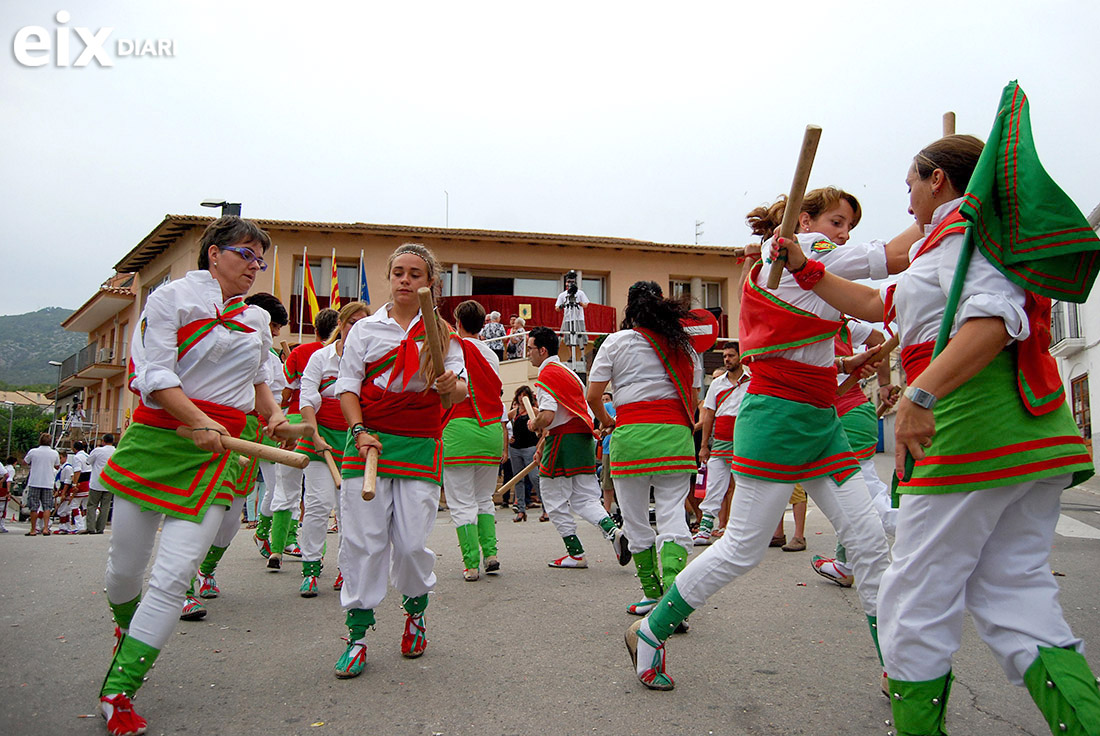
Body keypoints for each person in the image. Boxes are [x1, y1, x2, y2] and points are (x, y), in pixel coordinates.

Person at [773, 133, 1099, 733]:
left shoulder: (968, 240)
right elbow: (876, 304)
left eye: (911, 187)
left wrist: (922, 395)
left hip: (969, 431)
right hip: (1021, 437)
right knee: (1016, 597)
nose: (908, 204)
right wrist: (805, 268)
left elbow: (994, 321)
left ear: (938, 181)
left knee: (914, 600)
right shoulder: (956, 243)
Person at [625, 187, 892, 692]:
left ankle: (898, 670)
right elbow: (891, 259)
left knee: (870, 545)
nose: (844, 235)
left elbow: (798, 355)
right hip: (775, 421)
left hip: (820, 421)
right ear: (806, 221)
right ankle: (651, 631)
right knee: (744, 547)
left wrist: (844, 363)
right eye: (837, 221)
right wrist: (960, 211)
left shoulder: (805, 264)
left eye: (849, 228)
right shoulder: (806, 252)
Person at [95, 216, 289, 736]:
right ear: (214, 253)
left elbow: (259, 384)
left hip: (216, 455)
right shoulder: (171, 300)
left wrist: (277, 420)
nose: (255, 267)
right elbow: (153, 375)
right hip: (159, 440)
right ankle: (125, 627)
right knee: (123, 571)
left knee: (174, 575)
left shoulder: (255, 321)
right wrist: (198, 420)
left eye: (260, 259)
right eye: (246, 255)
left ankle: (119, 691)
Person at [333, 242, 467, 678]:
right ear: (389, 277)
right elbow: (347, 386)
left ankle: (415, 613)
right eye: (398, 272)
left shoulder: (443, 333)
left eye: (415, 273)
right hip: (368, 442)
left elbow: (460, 389)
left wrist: (449, 382)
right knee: (363, 541)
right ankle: (357, 636)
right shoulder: (365, 330)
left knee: (410, 544)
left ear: (431, 283)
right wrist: (358, 431)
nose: (405, 280)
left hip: (419, 443)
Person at [587, 281, 700, 616]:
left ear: (629, 308)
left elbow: (593, 396)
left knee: (636, 522)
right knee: (673, 516)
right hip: (675, 440)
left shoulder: (616, 342)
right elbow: (692, 402)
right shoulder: (685, 345)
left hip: (631, 438)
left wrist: (607, 422)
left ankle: (652, 595)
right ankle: (673, 603)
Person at [184, 293, 292, 620]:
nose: (273, 334)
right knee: (196, 507)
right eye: (272, 325)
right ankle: (183, 585)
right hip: (199, 425)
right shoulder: (207, 336)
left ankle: (207, 568)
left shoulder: (270, 359)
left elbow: (268, 396)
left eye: (274, 328)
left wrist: (277, 423)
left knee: (230, 514)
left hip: (245, 432)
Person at [526, 326, 628, 568]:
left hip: (562, 442)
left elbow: (549, 417)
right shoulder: (568, 373)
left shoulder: (546, 375)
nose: (527, 353)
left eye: (530, 349)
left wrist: (534, 423)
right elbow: (572, 412)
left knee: (552, 499)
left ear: (542, 350)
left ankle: (576, 554)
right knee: (585, 498)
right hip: (583, 440)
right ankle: (613, 532)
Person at [812, 319, 899, 586]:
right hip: (848, 413)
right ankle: (845, 564)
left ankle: (932, 538)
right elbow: (879, 340)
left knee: (865, 496)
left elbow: (879, 342)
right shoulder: (844, 323)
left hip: (845, 415)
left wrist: (884, 384)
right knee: (850, 494)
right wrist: (884, 384)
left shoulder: (831, 322)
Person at [295, 300, 369, 597]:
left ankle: (345, 568)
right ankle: (311, 568)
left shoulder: (367, 358)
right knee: (317, 505)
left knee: (348, 509)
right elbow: (307, 397)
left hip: (351, 441)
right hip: (320, 439)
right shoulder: (320, 358)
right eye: (353, 323)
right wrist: (314, 436)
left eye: (363, 323)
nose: (356, 329)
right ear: (342, 324)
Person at [264, 307, 339, 570]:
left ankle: (275, 549)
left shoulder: (300, 353)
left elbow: (285, 393)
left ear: (316, 330)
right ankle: (307, 553)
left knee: (285, 491)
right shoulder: (340, 355)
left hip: (295, 422)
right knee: (320, 500)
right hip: (322, 426)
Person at [443, 299, 506, 581]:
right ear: (484, 324)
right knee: (484, 498)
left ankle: (471, 564)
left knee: (461, 503)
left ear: (457, 322)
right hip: (490, 430)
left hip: (459, 430)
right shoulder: (492, 354)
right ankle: (490, 553)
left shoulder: (453, 347)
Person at [693, 343, 748, 545]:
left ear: (741, 357)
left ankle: (738, 531)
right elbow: (708, 416)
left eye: (731, 355)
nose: (727, 359)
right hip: (721, 441)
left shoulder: (753, 381)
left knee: (744, 485)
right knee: (715, 484)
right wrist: (704, 445)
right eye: (725, 356)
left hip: (746, 441)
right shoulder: (717, 384)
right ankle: (705, 530)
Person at [506, 385, 540, 522]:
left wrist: (539, 446)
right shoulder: (514, 413)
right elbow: (502, 425)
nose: (522, 398)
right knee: (517, 479)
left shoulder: (535, 412)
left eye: (524, 395)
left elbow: (544, 429)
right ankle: (520, 510)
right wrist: (508, 439)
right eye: (520, 395)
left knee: (534, 477)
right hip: (516, 449)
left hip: (530, 448)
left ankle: (546, 508)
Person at [21, 433, 59, 536]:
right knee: (47, 506)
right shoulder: (54, 453)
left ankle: (33, 529)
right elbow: (57, 465)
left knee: (34, 506)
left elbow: (25, 462)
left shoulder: (33, 452)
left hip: (35, 481)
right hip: (48, 482)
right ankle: (45, 528)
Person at [85, 434, 116, 534]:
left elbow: (88, 462)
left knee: (92, 505)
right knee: (105, 507)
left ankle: (91, 527)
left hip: (96, 481)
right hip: (109, 482)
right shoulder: (116, 451)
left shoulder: (98, 451)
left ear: (103, 441)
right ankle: (100, 528)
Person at [555, 271, 589, 349]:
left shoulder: (580, 293)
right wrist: (562, 305)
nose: (570, 284)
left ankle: (582, 356)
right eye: (568, 282)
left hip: (578, 318)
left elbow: (586, 305)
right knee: (568, 338)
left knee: (582, 337)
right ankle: (571, 356)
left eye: (572, 282)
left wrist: (579, 303)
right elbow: (557, 308)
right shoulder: (562, 295)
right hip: (567, 319)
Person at [55, 450, 75, 533]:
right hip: (62, 488)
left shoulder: (68, 468)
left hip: (65, 490)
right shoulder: (62, 468)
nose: (59, 460)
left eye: (61, 458)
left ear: (65, 458)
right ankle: (67, 526)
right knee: (64, 509)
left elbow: (68, 481)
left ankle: (63, 527)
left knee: (63, 510)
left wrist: (63, 493)